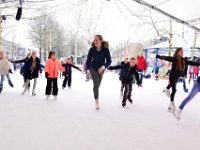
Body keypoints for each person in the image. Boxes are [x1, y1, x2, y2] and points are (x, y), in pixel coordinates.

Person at [156, 48, 200, 112]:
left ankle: (166, 91)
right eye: (181, 52)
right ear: (177, 52)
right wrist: (159, 56)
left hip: (177, 76)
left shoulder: (183, 60)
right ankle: (172, 103)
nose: (182, 53)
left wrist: (199, 64)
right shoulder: (174, 59)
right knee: (174, 90)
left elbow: (191, 63)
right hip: (172, 76)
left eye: (183, 52)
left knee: (172, 86)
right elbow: (167, 58)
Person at [86, 35, 112, 110]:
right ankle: (96, 100)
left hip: (101, 68)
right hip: (93, 68)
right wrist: (88, 70)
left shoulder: (106, 50)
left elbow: (109, 61)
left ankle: (96, 93)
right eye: (94, 40)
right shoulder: (92, 50)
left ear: (101, 40)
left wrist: (103, 67)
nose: (95, 42)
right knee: (96, 84)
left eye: (97, 40)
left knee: (98, 85)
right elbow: (88, 61)